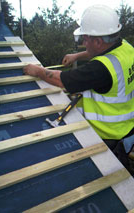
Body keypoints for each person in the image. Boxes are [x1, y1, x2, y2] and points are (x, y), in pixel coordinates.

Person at [23, 5, 134, 174]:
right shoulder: (125, 47)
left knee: (110, 178)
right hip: (127, 128)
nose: (83, 43)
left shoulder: (100, 69)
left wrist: (37, 70)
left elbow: (62, 80)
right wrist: (77, 56)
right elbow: (104, 51)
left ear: (98, 41)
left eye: (86, 39)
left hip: (107, 136)